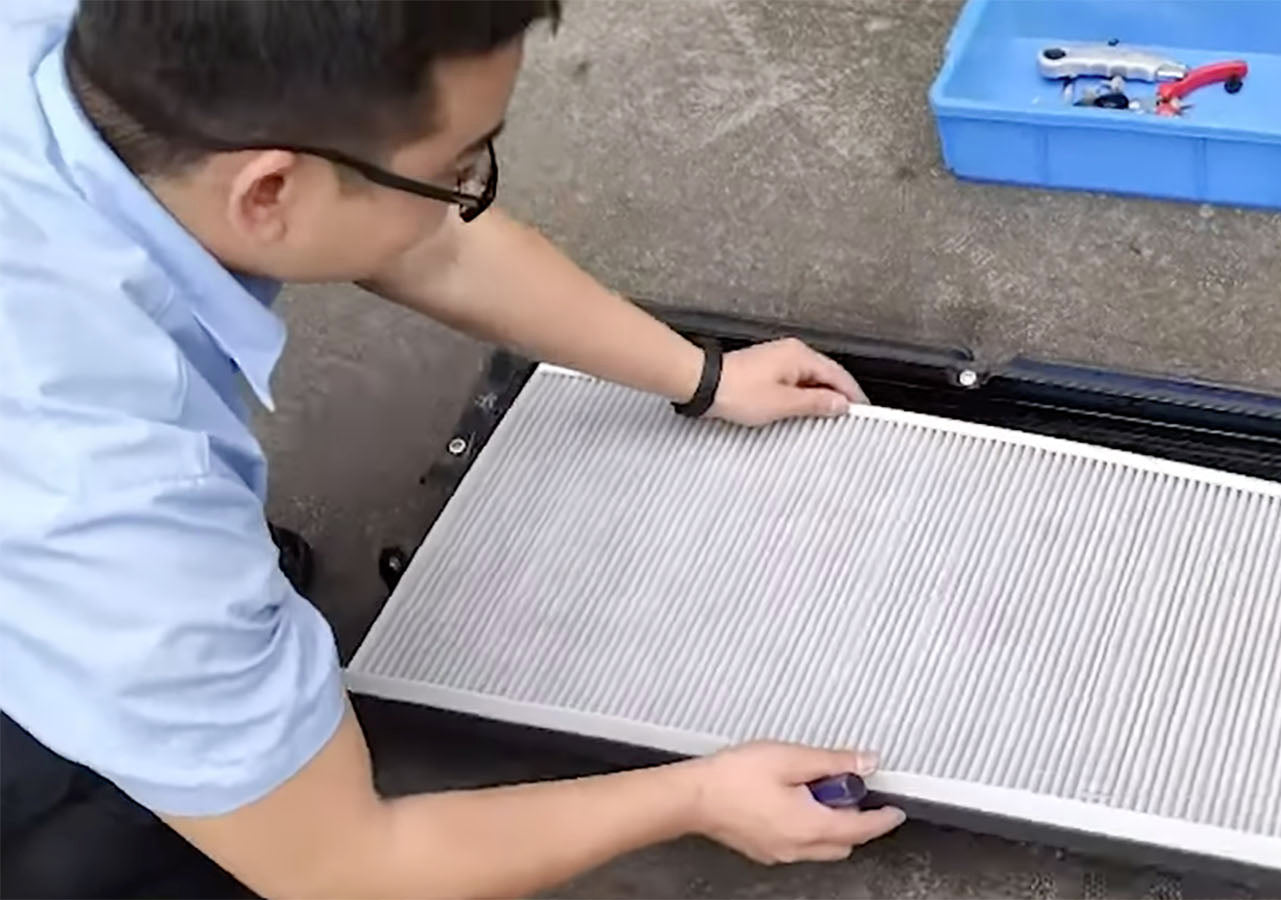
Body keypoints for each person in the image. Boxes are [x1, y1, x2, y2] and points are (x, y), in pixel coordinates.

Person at [0, 1, 906, 896]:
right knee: (141, 840)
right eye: (454, 169)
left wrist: (700, 376)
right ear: (269, 191)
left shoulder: (77, 42)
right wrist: (697, 793)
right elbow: (343, 868)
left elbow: (433, 246)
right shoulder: (116, 492)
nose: (467, 190)